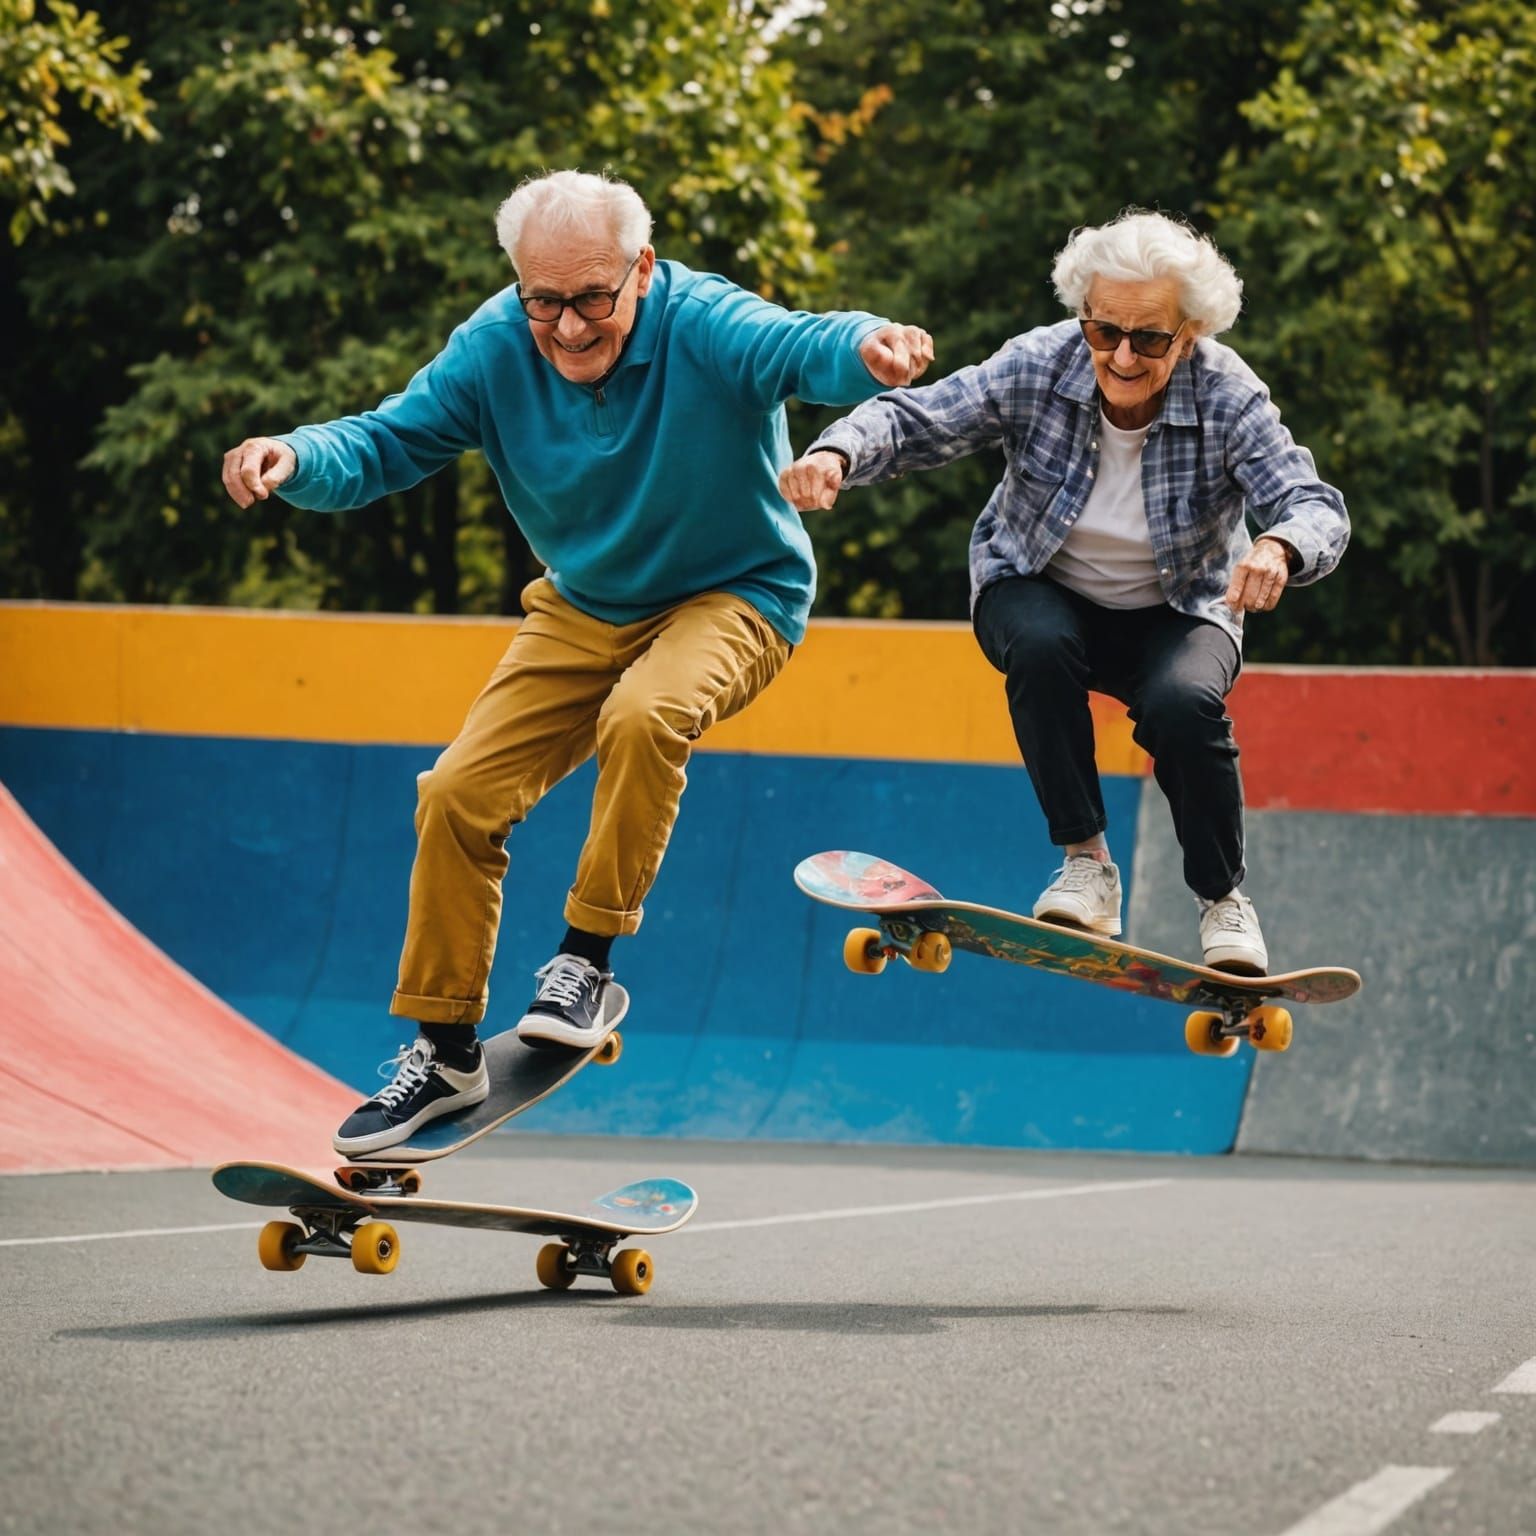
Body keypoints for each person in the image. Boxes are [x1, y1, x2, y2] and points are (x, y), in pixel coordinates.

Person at [221, 170, 934, 1155]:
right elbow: (387, 441)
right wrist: (296, 457)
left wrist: (865, 346)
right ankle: (443, 1051)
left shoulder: (703, 321)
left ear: (641, 269)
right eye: (542, 300)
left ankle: (586, 961)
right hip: (586, 602)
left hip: (736, 594)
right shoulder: (492, 346)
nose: (566, 329)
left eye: (593, 298)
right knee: (455, 794)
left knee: (644, 714)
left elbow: (798, 340)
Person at [779, 209, 1348, 975]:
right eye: (1103, 331)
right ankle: (1086, 863)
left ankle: (1222, 901)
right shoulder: (1040, 364)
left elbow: (1312, 503)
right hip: (1038, 584)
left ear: (1188, 336)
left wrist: (1281, 546)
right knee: (1042, 648)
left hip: (1181, 609)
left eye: (1149, 340)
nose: (1120, 357)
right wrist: (839, 452)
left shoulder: (1228, 394)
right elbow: (923, 419)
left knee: (1185, 709)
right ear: (1083, 317)